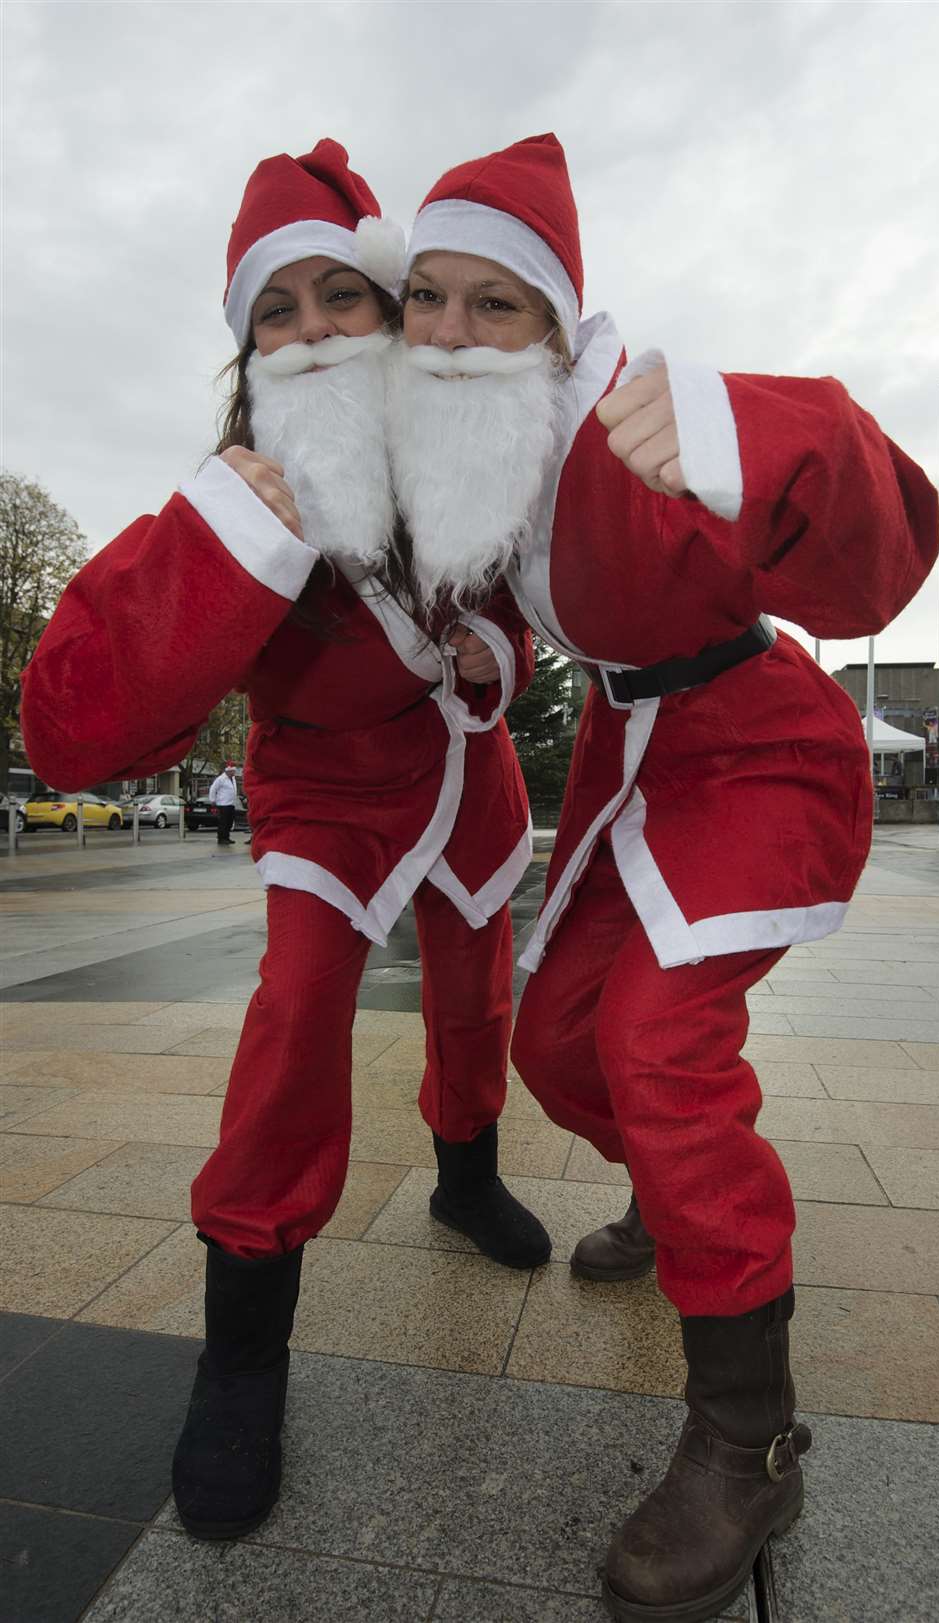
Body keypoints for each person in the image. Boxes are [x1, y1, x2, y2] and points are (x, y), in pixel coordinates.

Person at [389, 134, 939, 1622]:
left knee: (658, 1038)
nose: (447, 331)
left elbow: (878, 551)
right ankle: (666, 1191)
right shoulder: (478, 451)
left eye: (494, 306)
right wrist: (475, 649)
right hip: (637, 751)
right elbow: (509, 607)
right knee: (559, 1039)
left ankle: (746, 1438)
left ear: (563, 326)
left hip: (754, 741)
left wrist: (745, 434)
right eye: (425, 295)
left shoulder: (639, 418)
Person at [20, 139, 551, 1545]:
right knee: (298, 1012)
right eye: (279, 308)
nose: (314, 329)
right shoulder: (235, 485)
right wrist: (209, 551)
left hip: (460, 761)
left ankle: (465, 1165)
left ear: (389, 314)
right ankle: (244, 1346)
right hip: (320, 783)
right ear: (248, 344)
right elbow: (81, 729)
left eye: (342, 295)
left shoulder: (469, 429)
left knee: (476, 978)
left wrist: (499, 651)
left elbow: (539, 604)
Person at [207, 761, 239, 845]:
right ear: (229, 771)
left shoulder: (233, 779)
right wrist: (212, 799)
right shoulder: (221, 779)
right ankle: (221, 838)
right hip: (223, 804)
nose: (234, 772)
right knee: (223, 822)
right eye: (233, 771)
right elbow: (213, 789)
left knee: (229, 822)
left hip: (231, 804)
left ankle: (227, 837)